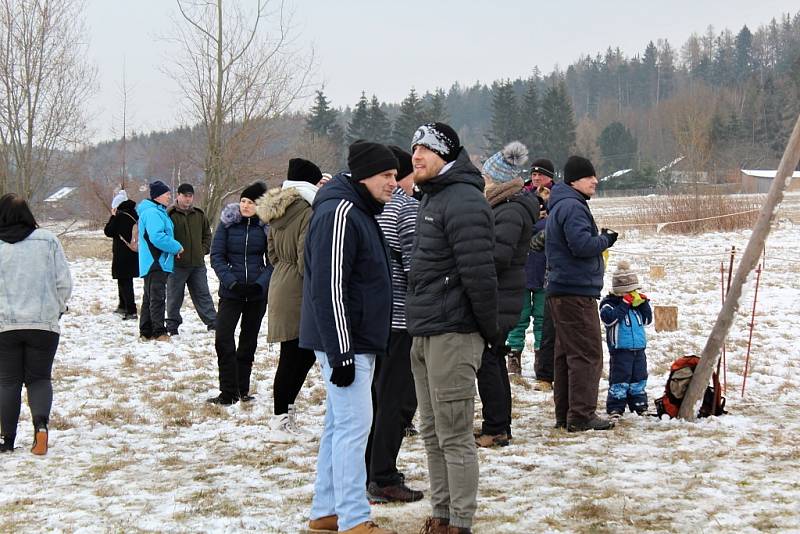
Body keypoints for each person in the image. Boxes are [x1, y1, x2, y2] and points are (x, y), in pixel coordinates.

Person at [301, 141, 398, 534]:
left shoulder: (357, 209)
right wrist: (342, 350)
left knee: (341, 427)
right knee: (355, 428)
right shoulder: (341, 212)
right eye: (387, 176)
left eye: (395, 175)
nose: (394, 183)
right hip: (347, 342)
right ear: (364, 176)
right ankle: (355, 519)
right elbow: (329, 285)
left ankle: (326, 512)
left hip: (354, 339)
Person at [406, 123, 498, 534]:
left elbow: (480, 275)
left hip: (453, 333)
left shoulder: (462, 200)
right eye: (414, 149)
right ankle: (440, 515)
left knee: (455, 434)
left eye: (426, 149)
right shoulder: (432, 198)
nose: (416, 156)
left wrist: (489, 333)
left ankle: (460, 521)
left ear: (445, 154)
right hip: (425, 331)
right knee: (431, 432)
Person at [366, 145, 423, 504]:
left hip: (376, 319)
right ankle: (383, 475)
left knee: (375, 398)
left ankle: (369, 467)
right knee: (397, 401)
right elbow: (416, 267)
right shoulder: (406, 208)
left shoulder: (372, 210)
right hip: (402, 318)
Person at [545, 155, 617, 432]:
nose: (595, 181)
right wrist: (606, 239)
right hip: (575, 291)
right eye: (590, 177)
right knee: (587, 354)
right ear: (575, 180)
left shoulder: (561, 204)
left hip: (562, 289)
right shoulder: (573, 207)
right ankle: (581, 415)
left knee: (567, 355)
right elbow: (581, 245)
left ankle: (566, 414)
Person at [255, 158, 323, 441]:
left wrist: (281, 269)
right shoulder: (307, 209)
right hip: (298, 286)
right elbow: (305, 256)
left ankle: (284, 414)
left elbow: (271, 251)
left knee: (296, 354)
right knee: (295, 356)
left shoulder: (279, 208)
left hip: (280, 281)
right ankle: (281, 418)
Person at [475, 141, 536, 448]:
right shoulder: (506, 207)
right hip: (505, 295)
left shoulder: (509, 210)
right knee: (493, 358)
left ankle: (496, 427)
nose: (483, 184)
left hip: (501, 296)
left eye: (487, 178)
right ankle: (499, 425)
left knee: (488, 361)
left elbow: (498, 255)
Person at [0, 193, 72, 455]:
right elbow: (64, 282)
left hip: (4, 325)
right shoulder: (48, 241)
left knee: (7, 381)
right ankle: (40, 427)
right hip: (43, 324)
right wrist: (58, 307)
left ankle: (6, 439)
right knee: (39, 378)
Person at [208, 182, 272, 405]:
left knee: (248, 342)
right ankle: (227, 392)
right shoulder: (227, 224)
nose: (245, 205)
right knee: (223, 338)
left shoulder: (266, 227)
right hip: (231, 293)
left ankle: (242, 390)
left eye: (251, 202)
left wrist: (260, 284)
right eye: (243, 200)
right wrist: (232, 282)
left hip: (256, 294)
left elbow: (273, 260)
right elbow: (216, 256)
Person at [506, 158, 555, 376]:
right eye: (534, 175)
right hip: (522, 266)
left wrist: (538, 225)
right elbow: (516, 224)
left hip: (547, 267)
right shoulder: (521, 196)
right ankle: (514, 355)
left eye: (541, 175)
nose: (536, 178)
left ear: (550, 177)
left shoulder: (559, 197)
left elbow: (556, 226)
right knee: (519, 314)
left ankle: (541, 357)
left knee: (543, 317)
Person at [600, 261, 652, 418]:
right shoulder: (609, 305)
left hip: (639, 349)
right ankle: (616, 406)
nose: (633, 293)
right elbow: (609, 320)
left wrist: (644, 304)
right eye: (630, 291)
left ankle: (639, 404)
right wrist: (624, 304)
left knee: (639, 377)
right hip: (620, 350)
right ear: (620, 292)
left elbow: (647, 320)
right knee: (620, 379)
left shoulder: (636, 307)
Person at [166, 183, 217, 335]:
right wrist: (173, 251)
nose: (188, 199)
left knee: (203, 294)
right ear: (178, 196)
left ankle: (213, 323)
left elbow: (207, 235)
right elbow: (165, 237)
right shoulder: (170, 214)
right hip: (177, 264)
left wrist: (203, 250)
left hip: (197, 264)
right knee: (174, 296)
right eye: (185, 196)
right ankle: (172, 326)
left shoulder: (199, 214)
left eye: (190, 196)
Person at [137, 180, 184, 341]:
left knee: (149, 297)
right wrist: (176, 247)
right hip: (155, 261)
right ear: (157, 196)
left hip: (155, 262)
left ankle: (146, 331)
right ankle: (158, 332)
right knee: (156, 297)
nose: (169, 197)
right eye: (167, 194)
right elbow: (157, 237)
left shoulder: (157, 211)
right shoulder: (153, 213)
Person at [103, 194, 139, 320]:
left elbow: (108, 231)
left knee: (124, 282)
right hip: (133, 252)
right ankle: (123, 305)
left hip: (122, 254)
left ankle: (130, 310)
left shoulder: (120, 217)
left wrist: (112, 217)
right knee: (124, 280)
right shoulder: (134, 214)